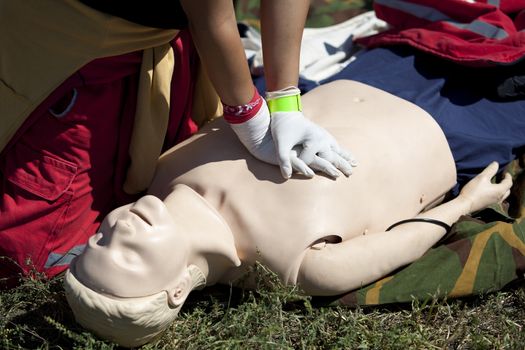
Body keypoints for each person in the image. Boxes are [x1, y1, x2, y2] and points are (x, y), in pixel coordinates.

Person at [64, 80, 513, 347]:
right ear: (177, 289)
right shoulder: (298, 265)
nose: (117, 227)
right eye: (127, 257)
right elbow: (405, 243)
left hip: (358, 77)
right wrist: (466, 204)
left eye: (98, 240)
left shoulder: (159, 172)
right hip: (448, 129)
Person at [0, 1, 353, 286]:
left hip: (169, 33)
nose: (124, 229)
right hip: (78, 35)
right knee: (28, 258)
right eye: (130, 255)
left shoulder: (305, 260)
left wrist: (285, 101)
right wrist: (250, 116)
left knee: (36, 256)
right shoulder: (310, 266)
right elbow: (211, 16)